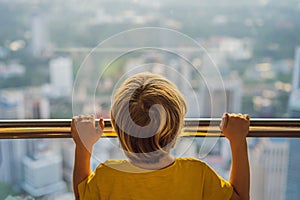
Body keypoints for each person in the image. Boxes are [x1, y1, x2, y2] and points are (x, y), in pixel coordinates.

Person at [71, 72, 250, 200]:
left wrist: (83, 145)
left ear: (116, 125)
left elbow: (81, 195)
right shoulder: (197, 174)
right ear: (177, 126)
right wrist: (238, 140)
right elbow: (240, 198)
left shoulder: (107, 176)